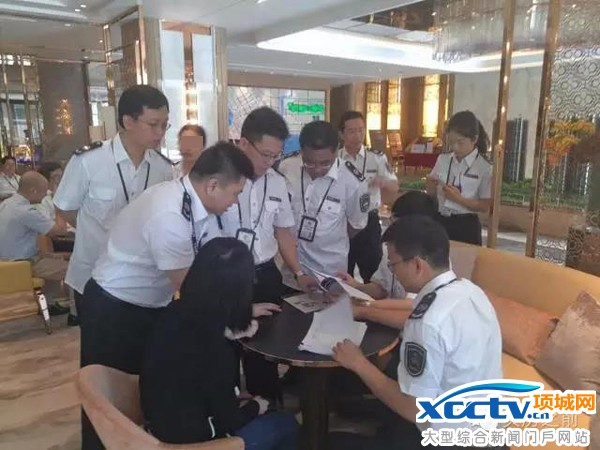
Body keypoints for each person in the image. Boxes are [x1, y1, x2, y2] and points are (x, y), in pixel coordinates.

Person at [80, 142, 253, 450]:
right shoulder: (169, 214)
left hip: (151, 303)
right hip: (116, 308)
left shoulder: (194, 204)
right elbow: (195, 291)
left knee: (149, 393)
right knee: (110, 409)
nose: (235, 202)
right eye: (236, 193)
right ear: (213, 185)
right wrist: (240, 317)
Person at [330, 215, 503, 450]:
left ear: (418, 265)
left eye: (393, 265)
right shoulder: (472, 292)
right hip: (489, 430)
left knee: (330, 442)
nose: (392, 271)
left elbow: (416, 410)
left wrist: (359, 363)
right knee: (371, 414)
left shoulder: (426, 323)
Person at [140, 238, 298, 449]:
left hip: (156, 425)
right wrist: (255, 406)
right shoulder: (216, 350)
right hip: (195, 441)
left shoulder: (172, 312)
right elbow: (230, 421)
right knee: (285, 422)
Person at [53, 85, 174, 328]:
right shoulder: (89, 161)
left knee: (142, 347)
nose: (160, 132)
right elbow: (65, 208)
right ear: (128, 121)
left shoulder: (162, 168)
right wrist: (97, 229)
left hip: (143, 281)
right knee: (99, 349)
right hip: (94, 277)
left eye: (165, 125)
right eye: (153, 124)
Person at [219, 106, 317, 401]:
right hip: (226, 277)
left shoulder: (276, 182)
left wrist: (299, 272)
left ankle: (267, 407)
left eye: (275, 156)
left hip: (264, 275)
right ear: (243, 143)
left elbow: (283, 232)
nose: (269, 162)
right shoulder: (219, 179)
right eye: (264, 154)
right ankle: (228, 410)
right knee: (223, 351)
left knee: (264, 351)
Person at [278, 120, 369, 276]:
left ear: (336, 151)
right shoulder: (287, 167)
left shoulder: (353, 182)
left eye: (325, 163)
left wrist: (327, 239)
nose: (317, 169)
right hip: (290, 270)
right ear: (301, 151)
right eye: (309, 162)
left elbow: (356, 225)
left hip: (330, 272)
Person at [338, 190, 438, 330]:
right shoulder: (391, 249)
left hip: (407, 327)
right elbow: (381, 289)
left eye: (394, 221)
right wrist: (355, 286)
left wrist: (366, 308)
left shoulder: (431, 257)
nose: (390, 226)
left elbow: (412, 306)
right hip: (385, 320)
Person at [339, 111, 399, 283]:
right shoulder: (336, 158)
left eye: (361, 130)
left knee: (372, 273)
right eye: (352, 131)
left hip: (369, 220)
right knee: (343, 271)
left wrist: (382, 182)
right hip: (343, 221)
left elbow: (394, 186)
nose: (358, 135)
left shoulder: (377, 157)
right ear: (341, 134)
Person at [0, 171, 69, 314]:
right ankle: (76, 313)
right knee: (74, 269)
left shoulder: (7, 203)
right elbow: (59, 231)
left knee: (52, 259)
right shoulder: (27, 211)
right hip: (22, 264)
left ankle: (48, 305)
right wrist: (59, 206)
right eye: (44, 191)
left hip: (5, 262)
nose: (46, 195)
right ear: (33, 190)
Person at [426, 110, 492, 245]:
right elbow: (432, 194)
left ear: (474, 139)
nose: (455, 147)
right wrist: (430, 186)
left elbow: (485, 206)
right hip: (441, 221)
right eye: (451, 142)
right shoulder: (443, 160)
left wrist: (459, 199)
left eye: (460, 143)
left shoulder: (484, 167)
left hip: (466, 226)